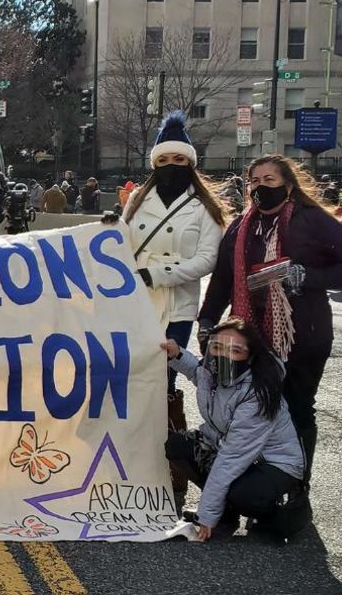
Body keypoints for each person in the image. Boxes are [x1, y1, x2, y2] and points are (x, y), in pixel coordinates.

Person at [199, 154, 342, 515]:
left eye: (269, 180)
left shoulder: (312, 220)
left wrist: (308, 276)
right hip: (249, 338)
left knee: (298, 407)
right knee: (249, 409)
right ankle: (254, 487)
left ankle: (296, 487)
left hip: (304, 335)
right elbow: (223, 280)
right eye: (254, 181)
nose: (261, 188)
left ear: (289, 184)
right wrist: (207, 320)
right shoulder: (240, 226)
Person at [118, 111, 228, 510]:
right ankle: (125, 459)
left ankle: (171, 465)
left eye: (178, 160)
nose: (170, 167)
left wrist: (159, 274)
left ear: (191, 163)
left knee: (163, 383)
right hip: (136, 305)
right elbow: (122, 245)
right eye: (163, 161)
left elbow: (207, 259)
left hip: (177, 308)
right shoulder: (137, 199)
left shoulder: (203, 207)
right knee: (130, 380)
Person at [162, 318, 307, 541]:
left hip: (274, 463)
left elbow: (231, 459)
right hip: (233, 452)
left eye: (235, 350)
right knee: (179, 446)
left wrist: (206, 516)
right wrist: (176, 354)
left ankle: (281, 515)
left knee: (244, 495)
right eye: (217, 347)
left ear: (250, 356)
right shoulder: (210, 371)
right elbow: (196, 371)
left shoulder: (258, 393)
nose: (223, 356)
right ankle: (226, 513)